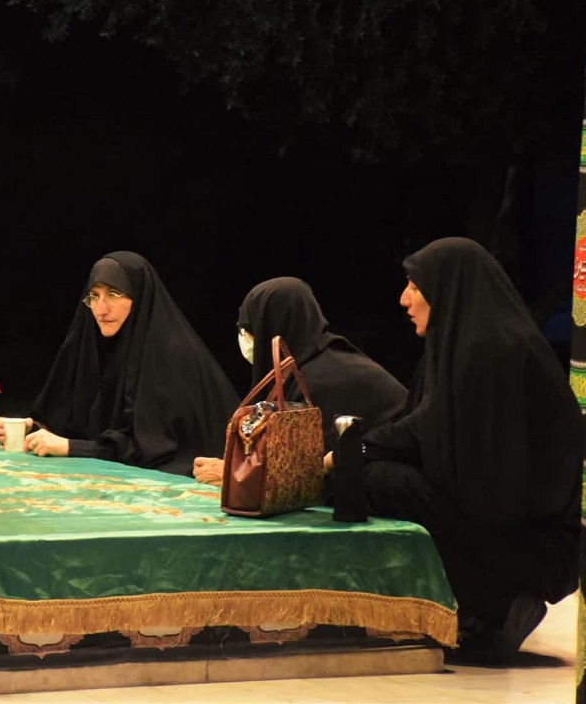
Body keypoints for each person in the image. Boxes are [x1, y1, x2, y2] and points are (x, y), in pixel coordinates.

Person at [361, 237, 585, 665]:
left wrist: (357, 450)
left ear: (447, 288)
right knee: (376, 475)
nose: (405, 299)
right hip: (499, 518)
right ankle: (474, 606)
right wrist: (359, 450)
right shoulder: (455, 346)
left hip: (534, 540)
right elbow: (423, 426)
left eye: (415, 285)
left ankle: (496, 600)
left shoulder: (494, 351)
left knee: (386, 482)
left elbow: (439, 440)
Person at [0, 251, 240, 477]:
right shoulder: (93, 345)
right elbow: (76, 423)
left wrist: (70, 447)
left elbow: (150, 448)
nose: (101, 309)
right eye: (94, 296)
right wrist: (33, 431)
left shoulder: (169, 354)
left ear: (139, 297)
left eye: (114, 294)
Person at [193, 276, 407, 485]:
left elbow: (306, 472)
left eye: (249, 328)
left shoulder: (326, 378)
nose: (244, 337)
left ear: (272, 326)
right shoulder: (310, 366)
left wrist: (238, 477)